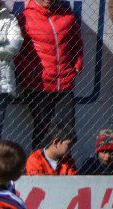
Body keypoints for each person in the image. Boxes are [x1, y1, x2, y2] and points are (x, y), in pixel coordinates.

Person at [14, 0, 82, 150]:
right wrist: (31, 72)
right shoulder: (26, 17)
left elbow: (77, 42)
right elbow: (17, 52)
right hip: (38, 85)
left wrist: (76, 66)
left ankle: (60, 169)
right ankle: (38, 169)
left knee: (67, 130)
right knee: (43, 130)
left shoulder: (67, 16)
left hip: (64, 83)